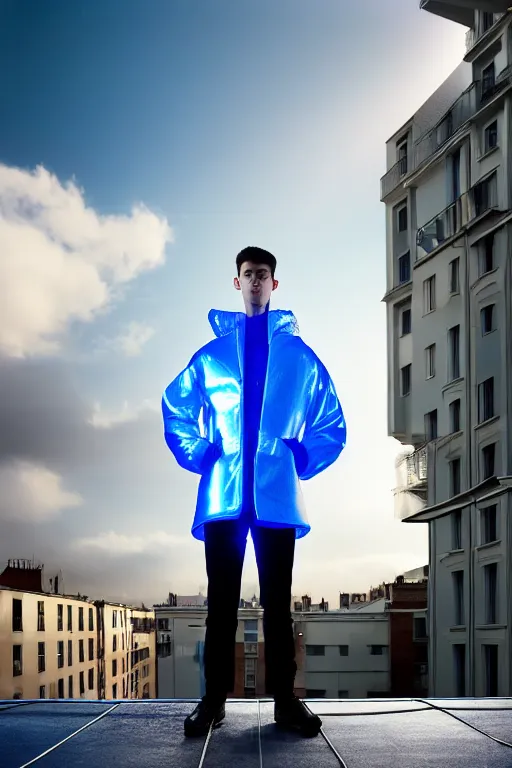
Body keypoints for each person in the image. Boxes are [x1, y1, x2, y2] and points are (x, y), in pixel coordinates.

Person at [162, 246, 346, 738]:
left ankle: (285, 702)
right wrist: (201, 454)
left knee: (278, 603)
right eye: (249, 275)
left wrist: (301, 456)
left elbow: (331, 422)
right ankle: (213, 702)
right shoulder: (212, 355)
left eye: (264, 275)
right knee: (220, 603)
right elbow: (174, 406)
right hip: (224, 494)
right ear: (237, 283)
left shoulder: (299, 357)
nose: (256, 282)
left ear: (274, 284)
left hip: (276, 496)